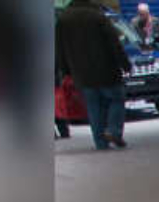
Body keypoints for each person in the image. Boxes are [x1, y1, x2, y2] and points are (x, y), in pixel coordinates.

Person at [56, 0, 132, 150]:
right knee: (116, 99)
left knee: (93, 107)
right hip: (106, 70)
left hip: (81, 73)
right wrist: (125, 63)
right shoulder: (97, 16)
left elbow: (60, 48)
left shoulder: (63, 19)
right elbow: (114, 43)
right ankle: (113, 131)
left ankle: (100, 143)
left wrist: (65, 71)